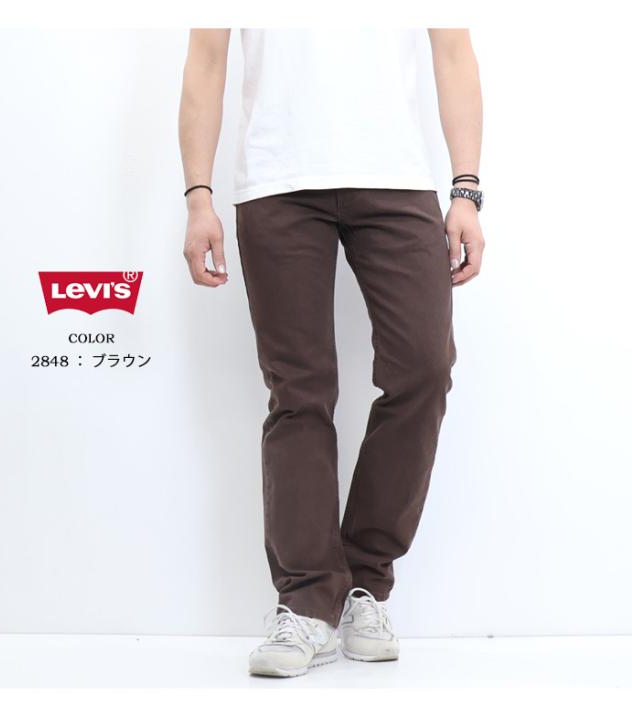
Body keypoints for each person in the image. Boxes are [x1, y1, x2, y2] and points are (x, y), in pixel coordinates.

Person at [179, 28, 484, 678]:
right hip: (277, 180)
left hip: (395, 178)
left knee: (424, 369)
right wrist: (198, 197)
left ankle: (363, 584)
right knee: (300, 393)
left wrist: (466, 189)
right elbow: (206, 58)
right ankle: (307, 603)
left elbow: (453, 51)